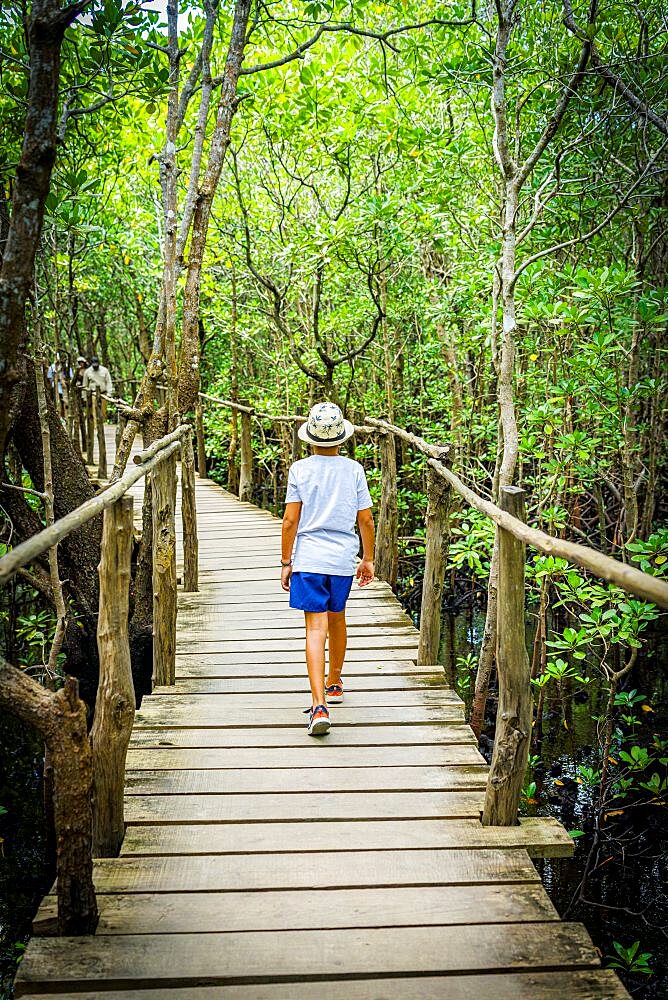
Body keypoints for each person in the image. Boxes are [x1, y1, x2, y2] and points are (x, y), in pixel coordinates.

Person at [281, 402, 375, 736]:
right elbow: (365, 519)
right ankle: (335, 682)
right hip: (341, 560)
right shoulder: (354, 470)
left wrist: (286, 561)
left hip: (309, 559)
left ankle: (319, 705)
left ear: (309, 439)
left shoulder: (300, 469)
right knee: (337, 619)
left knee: (314, 629)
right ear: (342, 438)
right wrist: (368, 558)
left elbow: (291, 519)